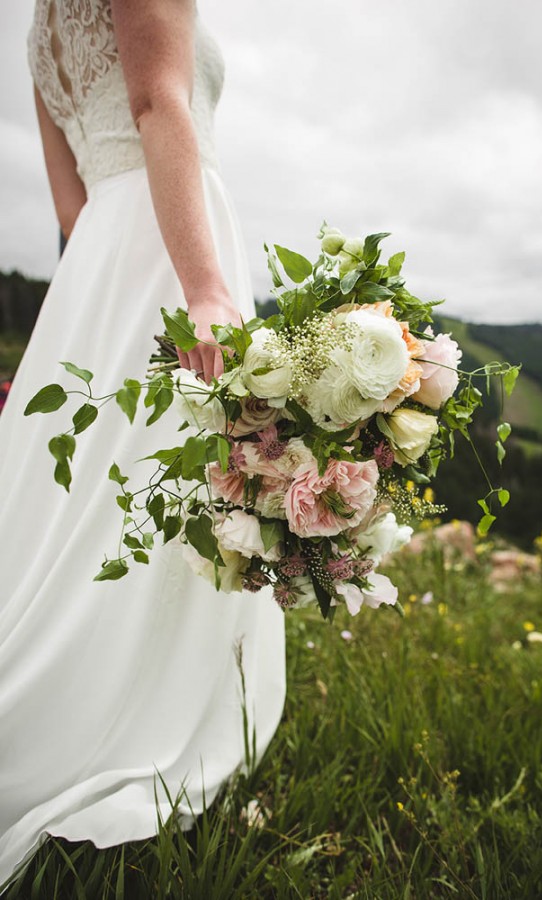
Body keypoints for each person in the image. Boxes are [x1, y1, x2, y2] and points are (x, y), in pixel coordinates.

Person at [0, 0, 286, 886]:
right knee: (169, 493)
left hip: (98, 263)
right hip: (174, 242)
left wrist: (92, 301)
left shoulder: (39, 28)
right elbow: (161, 103)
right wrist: (202, 287)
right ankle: (128, 717)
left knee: (79, 497)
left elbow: (68, 202)